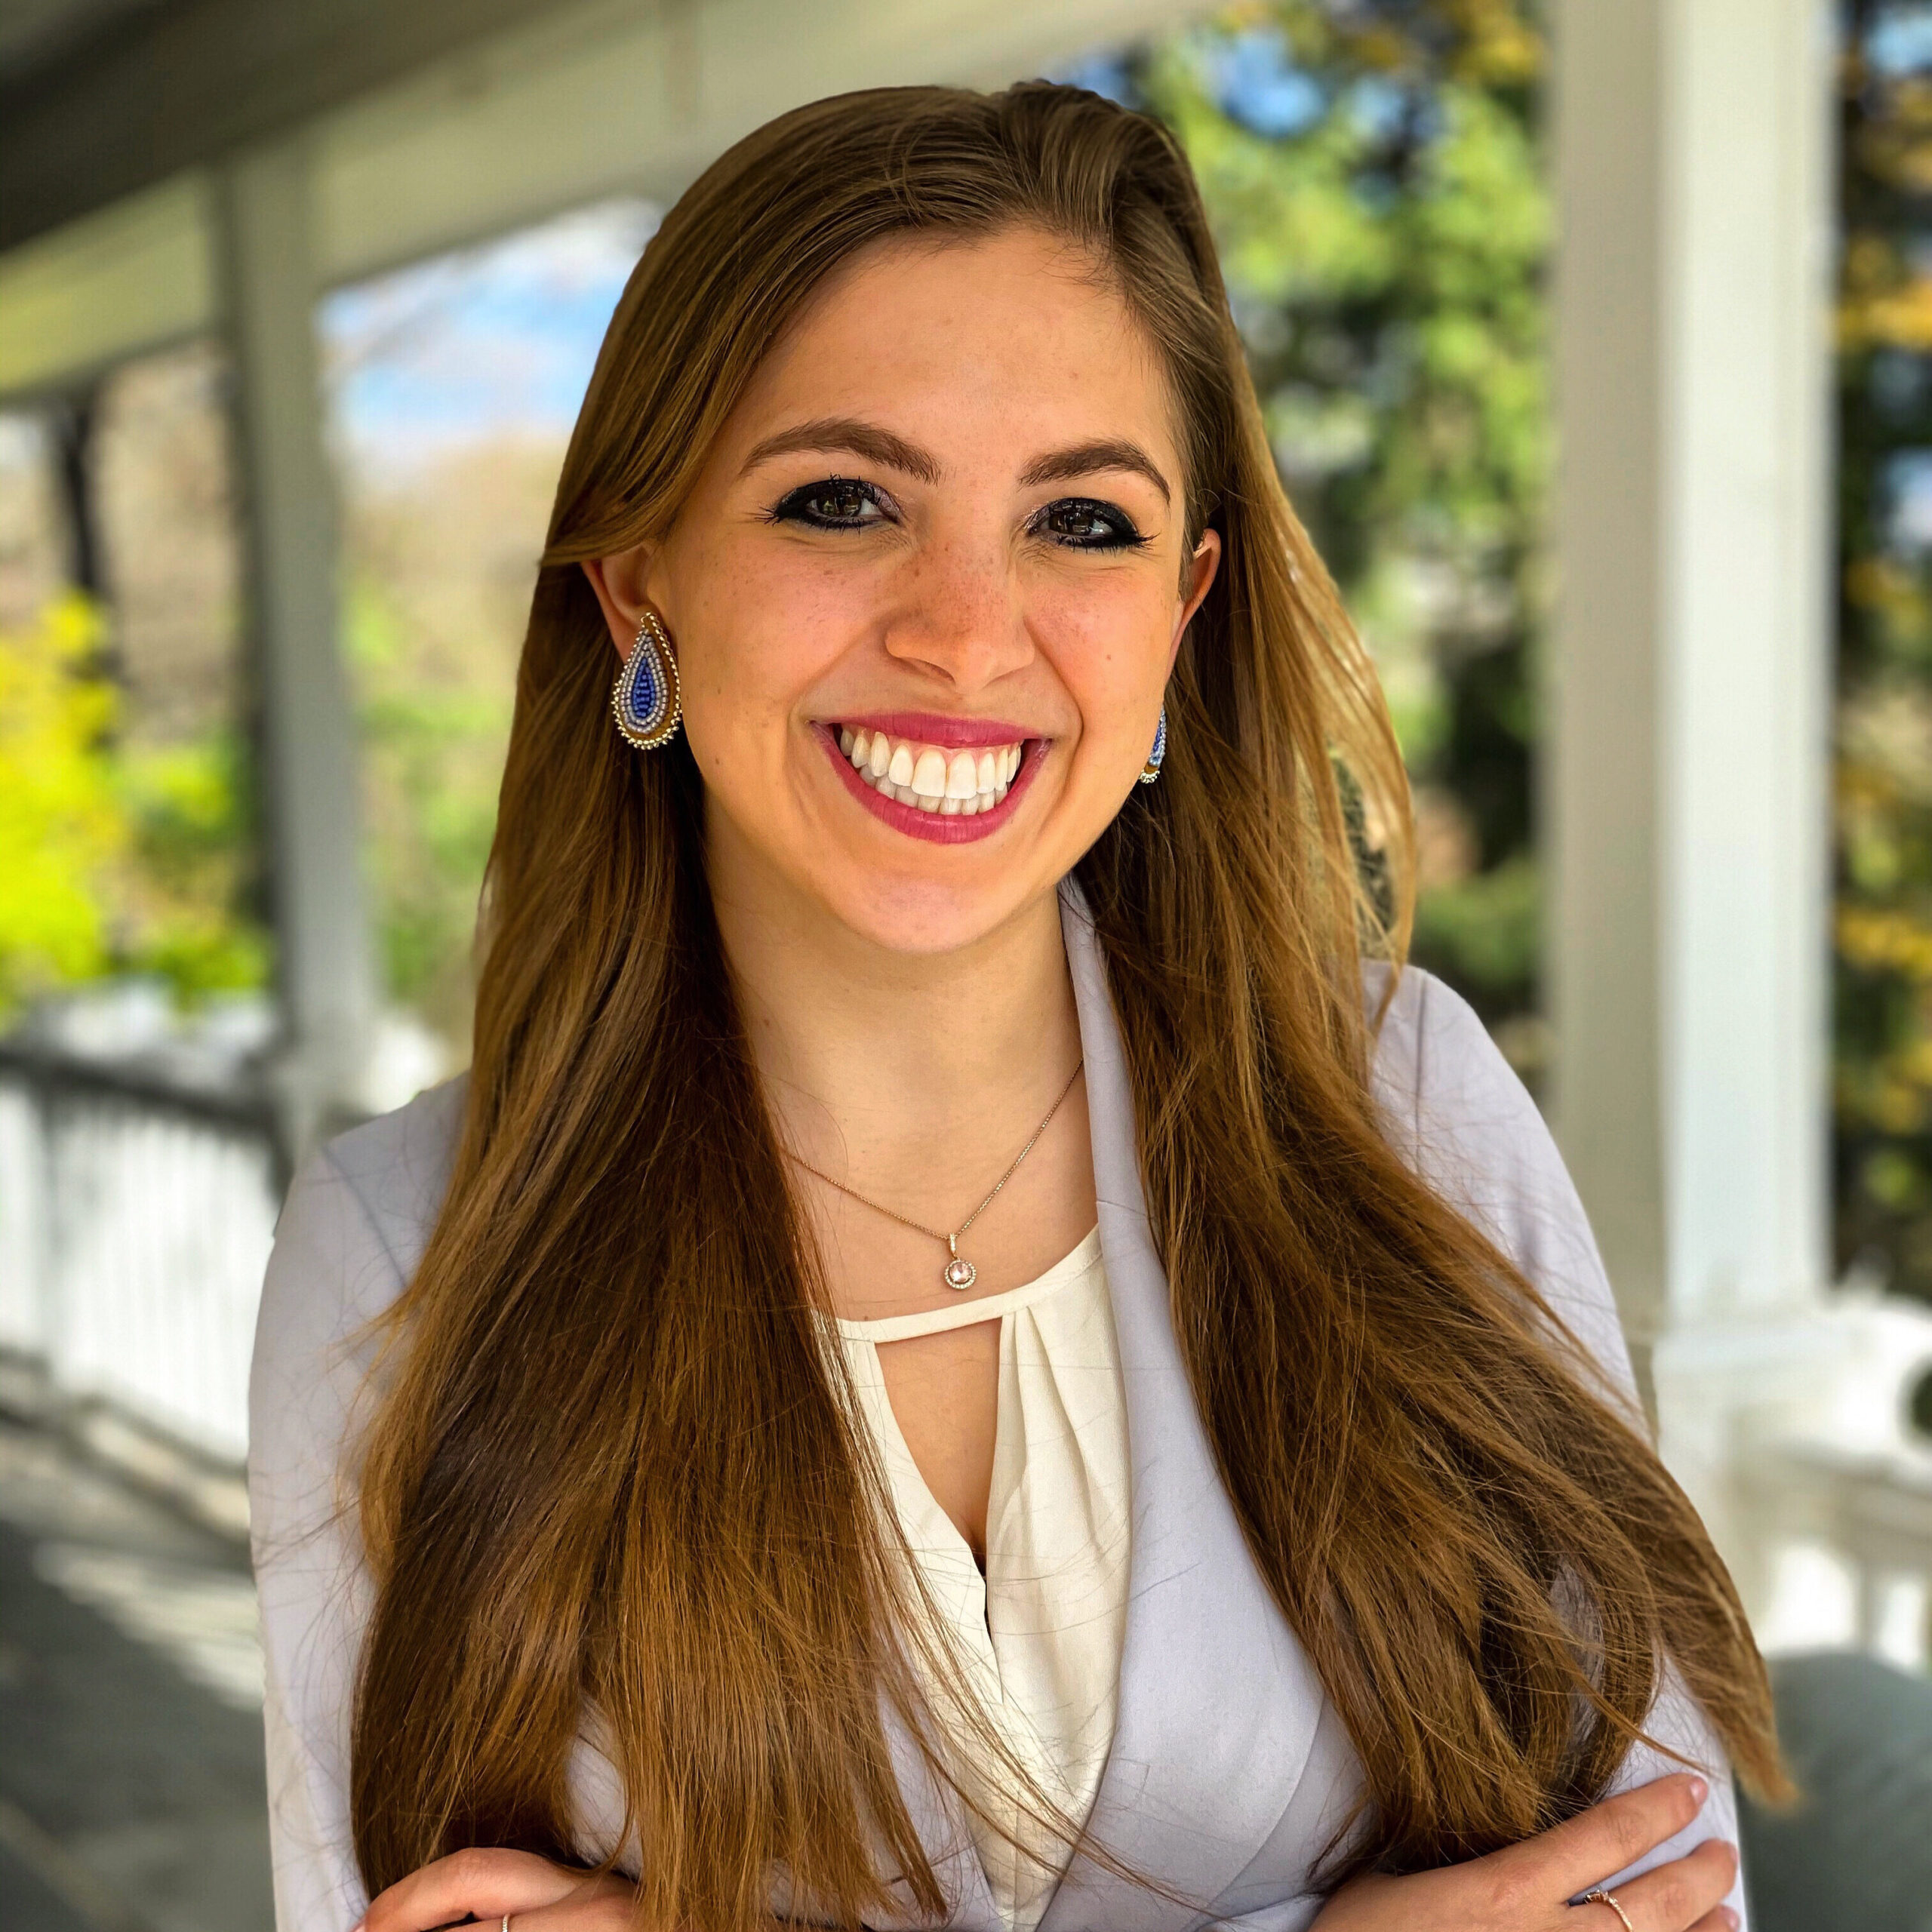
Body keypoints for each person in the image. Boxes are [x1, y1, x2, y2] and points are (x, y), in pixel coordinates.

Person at [249, 82, 1785, 1932]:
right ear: (638, 576)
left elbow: (1665, 1893)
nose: (966, 633)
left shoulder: (1402, 1107)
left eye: (1079, 520)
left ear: (1181, 614)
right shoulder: (401, 1250)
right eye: (842, 499)